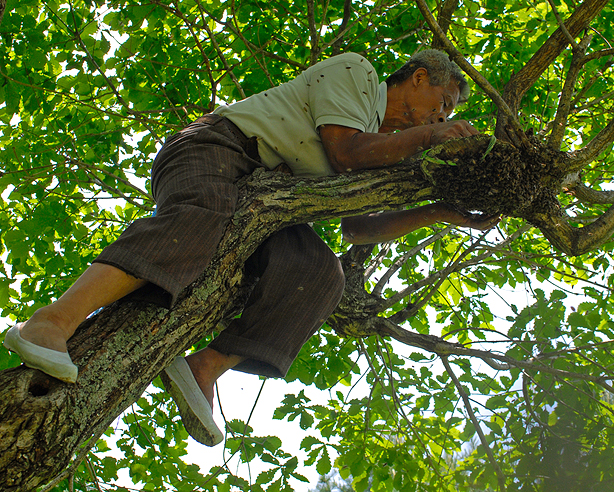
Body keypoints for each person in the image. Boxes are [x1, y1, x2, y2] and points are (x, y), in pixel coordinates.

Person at [3, 50, 498, 446]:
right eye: (444, 103)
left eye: (447, 114)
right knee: (199, 219)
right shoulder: (358, 73)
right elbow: (345, 153)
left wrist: (440, 213)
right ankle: (53, 321)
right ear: (416, 77)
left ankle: (206, 366)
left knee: (323, 276)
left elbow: (357, 229)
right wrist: (432, 134)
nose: (442, 115)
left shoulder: (383, 148)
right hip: (220, 150)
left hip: (269, 196)